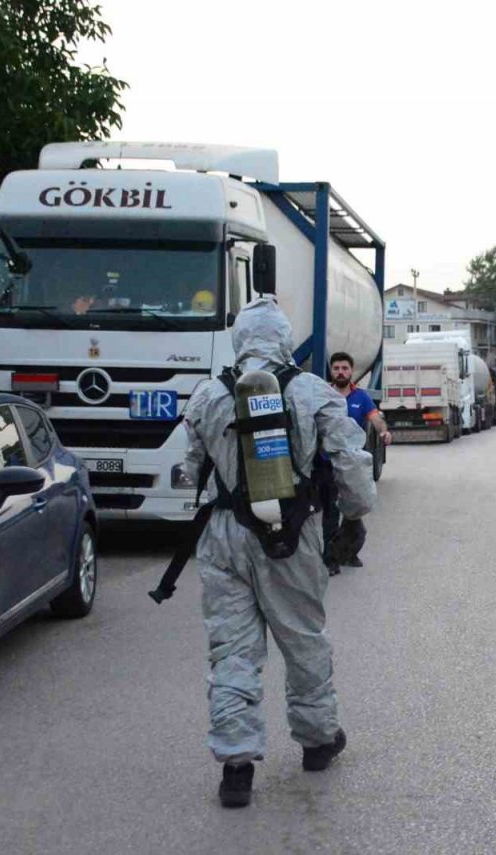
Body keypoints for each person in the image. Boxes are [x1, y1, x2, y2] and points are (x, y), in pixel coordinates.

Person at [182, 296, 376, 808]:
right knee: (303, 639)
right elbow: (352, 461)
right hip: (292, 534)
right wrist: (355, 514)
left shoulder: (207, 396)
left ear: (241, 340)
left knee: (232, 649)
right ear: (285, 340)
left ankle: (237, 766)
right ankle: (317, 741)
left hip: (223, 536)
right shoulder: (312, 391)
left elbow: (189, 470)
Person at [319, 351, 391, 575]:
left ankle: (348, 552)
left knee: (354, 512)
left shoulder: (361, 397)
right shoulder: (323, 394)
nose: (340, 372)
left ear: (351, 372)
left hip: (352, 466)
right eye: (336, 368)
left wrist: (384, 432)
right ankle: (330, 560)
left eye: (345, 368)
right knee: (330, 513)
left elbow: (375, 419)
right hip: (326, 463)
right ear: (331, 371)